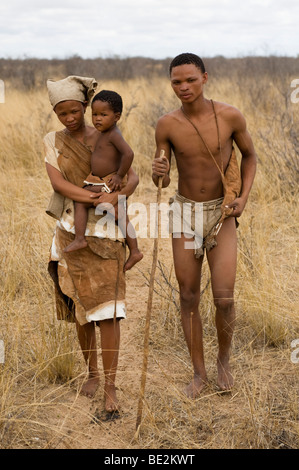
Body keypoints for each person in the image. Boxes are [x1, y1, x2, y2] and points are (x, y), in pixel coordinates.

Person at [152, 53, 257, 398]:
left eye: (190, 80)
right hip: (185, 214)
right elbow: (163, 179)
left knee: (224, 297)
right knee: (188, 295)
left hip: (221, 213)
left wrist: (242, 196)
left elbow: (250, 155)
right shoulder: (167, 124)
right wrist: (160, 175)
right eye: (176, 82)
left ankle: (223, 362)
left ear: (205, 78)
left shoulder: (229, 115)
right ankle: (199, 374)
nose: (183, 87)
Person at [44, 75, 139, 412]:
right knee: (81, 310)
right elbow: (58, 184)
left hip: (108, 235)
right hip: (70, 229)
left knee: (110, 312)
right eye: (61, 114)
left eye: (74, 112)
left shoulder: (106, 134)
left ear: (86, 107)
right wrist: (93, 197)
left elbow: (133, 174)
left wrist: (117, 196)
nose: (69, 120)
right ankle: (92, 372)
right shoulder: (52, 141)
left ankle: (111, 387)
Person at [64, 90, 143, 272]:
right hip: (99, 181)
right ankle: (81, 239)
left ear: (116, 117)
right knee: (83, 201)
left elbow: (128, 153)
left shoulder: (114, 134)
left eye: (103, 115)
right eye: (94, 114)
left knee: (118, 214)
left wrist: (118, 175)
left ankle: (135, 250)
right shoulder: (103, 133)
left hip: (109, 182)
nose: (97, 119)